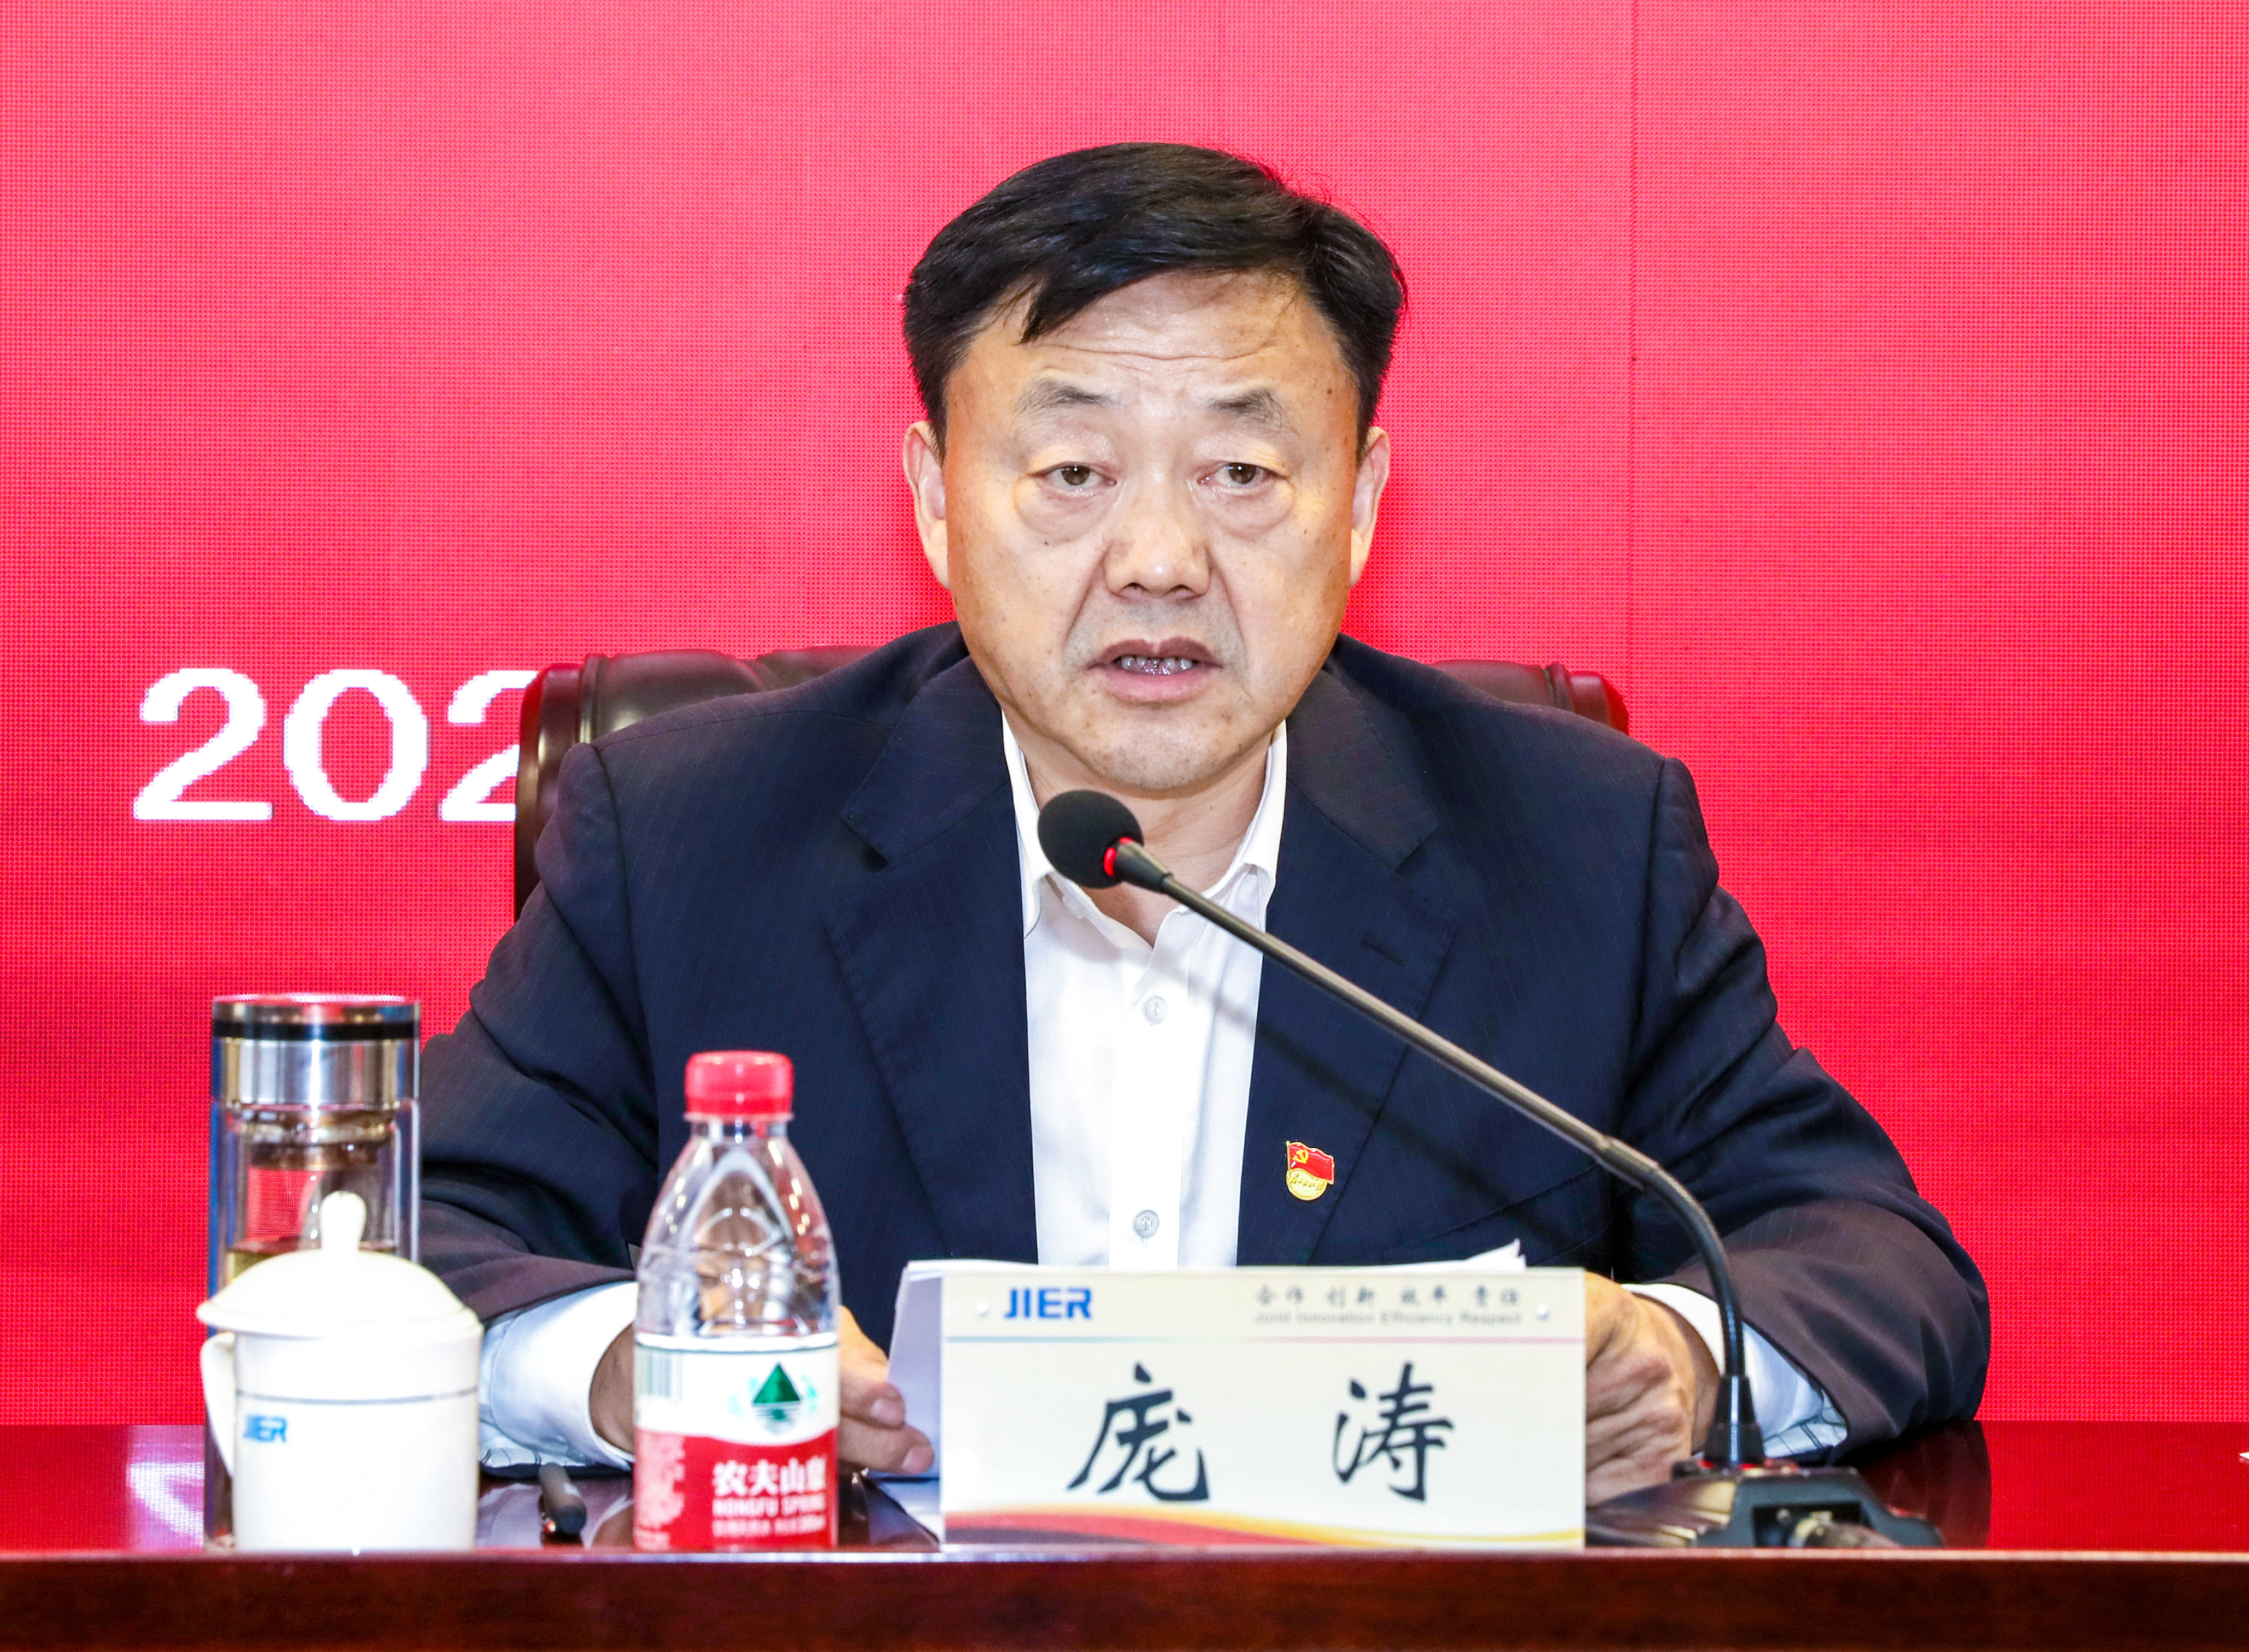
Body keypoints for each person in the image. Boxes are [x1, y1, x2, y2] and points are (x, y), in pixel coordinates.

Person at [422, 143, 1988, 1506]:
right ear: (937, 498)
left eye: (1242, 471)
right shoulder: (688, 836)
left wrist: (1679, 1358)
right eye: (1073, 471)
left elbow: (1870, 1258)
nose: (1160, 558)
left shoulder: (1571, 843)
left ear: (1357, 501)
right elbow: (421, 1241)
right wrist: (639, 1365)